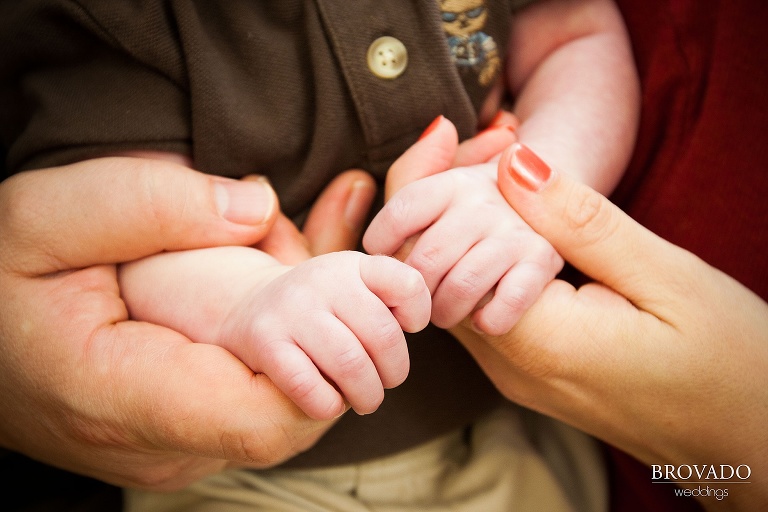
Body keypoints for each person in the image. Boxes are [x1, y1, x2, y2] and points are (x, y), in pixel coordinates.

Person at [0, 0, 639, 510]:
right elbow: (128, 225)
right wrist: (250, 300)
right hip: (263, 480)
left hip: (518, 427)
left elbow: (574, 36)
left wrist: (533, 189)